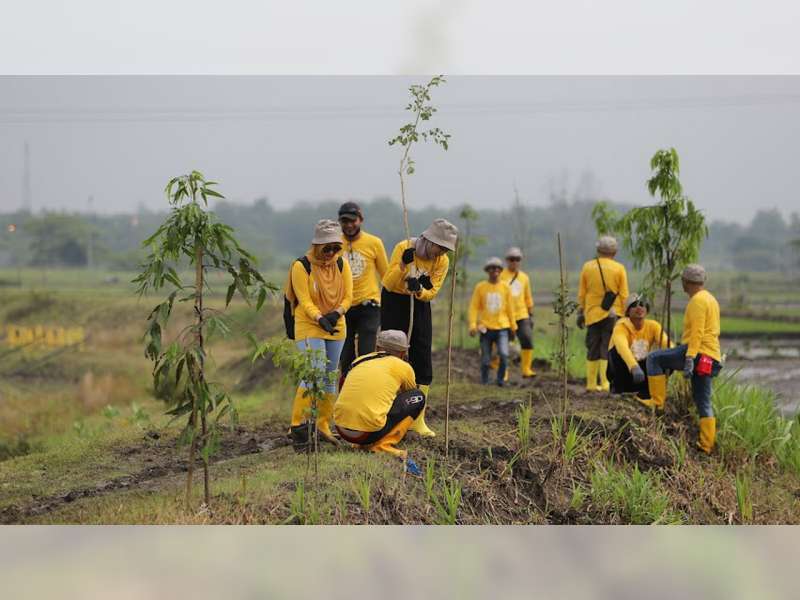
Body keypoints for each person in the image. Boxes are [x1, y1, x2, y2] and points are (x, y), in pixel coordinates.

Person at [381, 218, 458, 437]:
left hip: (420, 304)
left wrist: (419, 291)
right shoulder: (404, 247)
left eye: (446, 249)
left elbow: (432, 291)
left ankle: (417, 419)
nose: (441, 252)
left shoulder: (442, 261)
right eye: (440, 247)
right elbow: (388, 283)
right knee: (392, 353)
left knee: (422, 354)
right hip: (394, 302)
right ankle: (387, 414)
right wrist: (403, 267)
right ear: (429, 240)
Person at [286, 219, 353, 448]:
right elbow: (304, 300)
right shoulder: (301, 266)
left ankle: (323, 424)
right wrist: (320, 318)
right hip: (309, 323)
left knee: (330, 376)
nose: (331, 253)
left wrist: (336, 314)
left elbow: (349, 297)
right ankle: (297, 425)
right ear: (317, 245)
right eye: (327, 248)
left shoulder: (342, 264)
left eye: (336, 247)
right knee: (313, 371)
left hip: (336, 324)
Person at [642, 264, 723, 453]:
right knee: (703, 400)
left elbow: (697, 332)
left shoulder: (697, 301)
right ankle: (706, 445)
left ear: (686, 282)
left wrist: (689, 357)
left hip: (697, 351)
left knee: (654, 359)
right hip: (711, 356)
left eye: (683, 281)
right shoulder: (710, 299)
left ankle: (657, 403)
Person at [334, 330, 425, 467]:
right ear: (403, 353)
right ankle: (383, 444)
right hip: (368, 433)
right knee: (418, 397)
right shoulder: (403, 367)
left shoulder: (359, 360)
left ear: (377, 347)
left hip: (341, 429)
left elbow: (343, 385)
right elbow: (408, 393)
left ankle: (363, 443)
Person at [337, 201, 389, 378]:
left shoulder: (374, 243)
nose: (349, 225)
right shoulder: (334, 244)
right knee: (345, 356)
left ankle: (366, 385)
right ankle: (347, 388)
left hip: (369, 305)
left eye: (353, 221)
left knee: (366, 354)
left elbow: (386, 275)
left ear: (361, 220)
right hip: (342, 307)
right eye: (345, 221)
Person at [577, 235, 629, 392]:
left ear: (598, 250)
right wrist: (625, 315)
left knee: (593, 347)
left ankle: (591, 384)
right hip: (612, 314)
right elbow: (624, 295)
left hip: (592, 313)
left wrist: (581, 311)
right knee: (607, 347)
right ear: (614, 252)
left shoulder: (587, 267)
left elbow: (582, 293)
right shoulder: (619, 268)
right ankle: (606, 383)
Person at [607, 294, 669, 398]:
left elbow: (666, 343)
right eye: (634, 305)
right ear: (628, 311)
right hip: (625, 373)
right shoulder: (621, 327)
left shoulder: (653, 326)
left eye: (642, 305)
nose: (639, 308)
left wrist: (674, 353)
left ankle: (647, 391)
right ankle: (617, 389)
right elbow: (622, 348)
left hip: (641, 374)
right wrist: (634, 367)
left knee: (666, 356)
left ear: (647, 309)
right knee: (615, 351)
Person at [470, 257, 517, 386]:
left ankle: (500, 380)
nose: (494, 270)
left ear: (501, 270)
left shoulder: (506, 287)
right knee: (486, 360)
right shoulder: (480, 287)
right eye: (491, 268)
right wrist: (473, 325)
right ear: (487, 270)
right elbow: (474, 307)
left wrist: (513, 326)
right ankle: (485, 381)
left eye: (497, 268)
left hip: (502, 328)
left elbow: (510, 309)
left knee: (504, 355)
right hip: (485, 329)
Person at [499, 246, 536, 378]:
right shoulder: (501, 276)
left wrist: (530, 314)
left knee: (527, 339)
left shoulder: (524, 278)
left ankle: (526, 369)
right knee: (503, 344)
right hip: (504, 316)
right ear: (507, 260)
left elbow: (528, 297)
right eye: (512, 259)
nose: (514, 262)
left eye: (517, 259)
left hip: (522, 314)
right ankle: (503, 372)